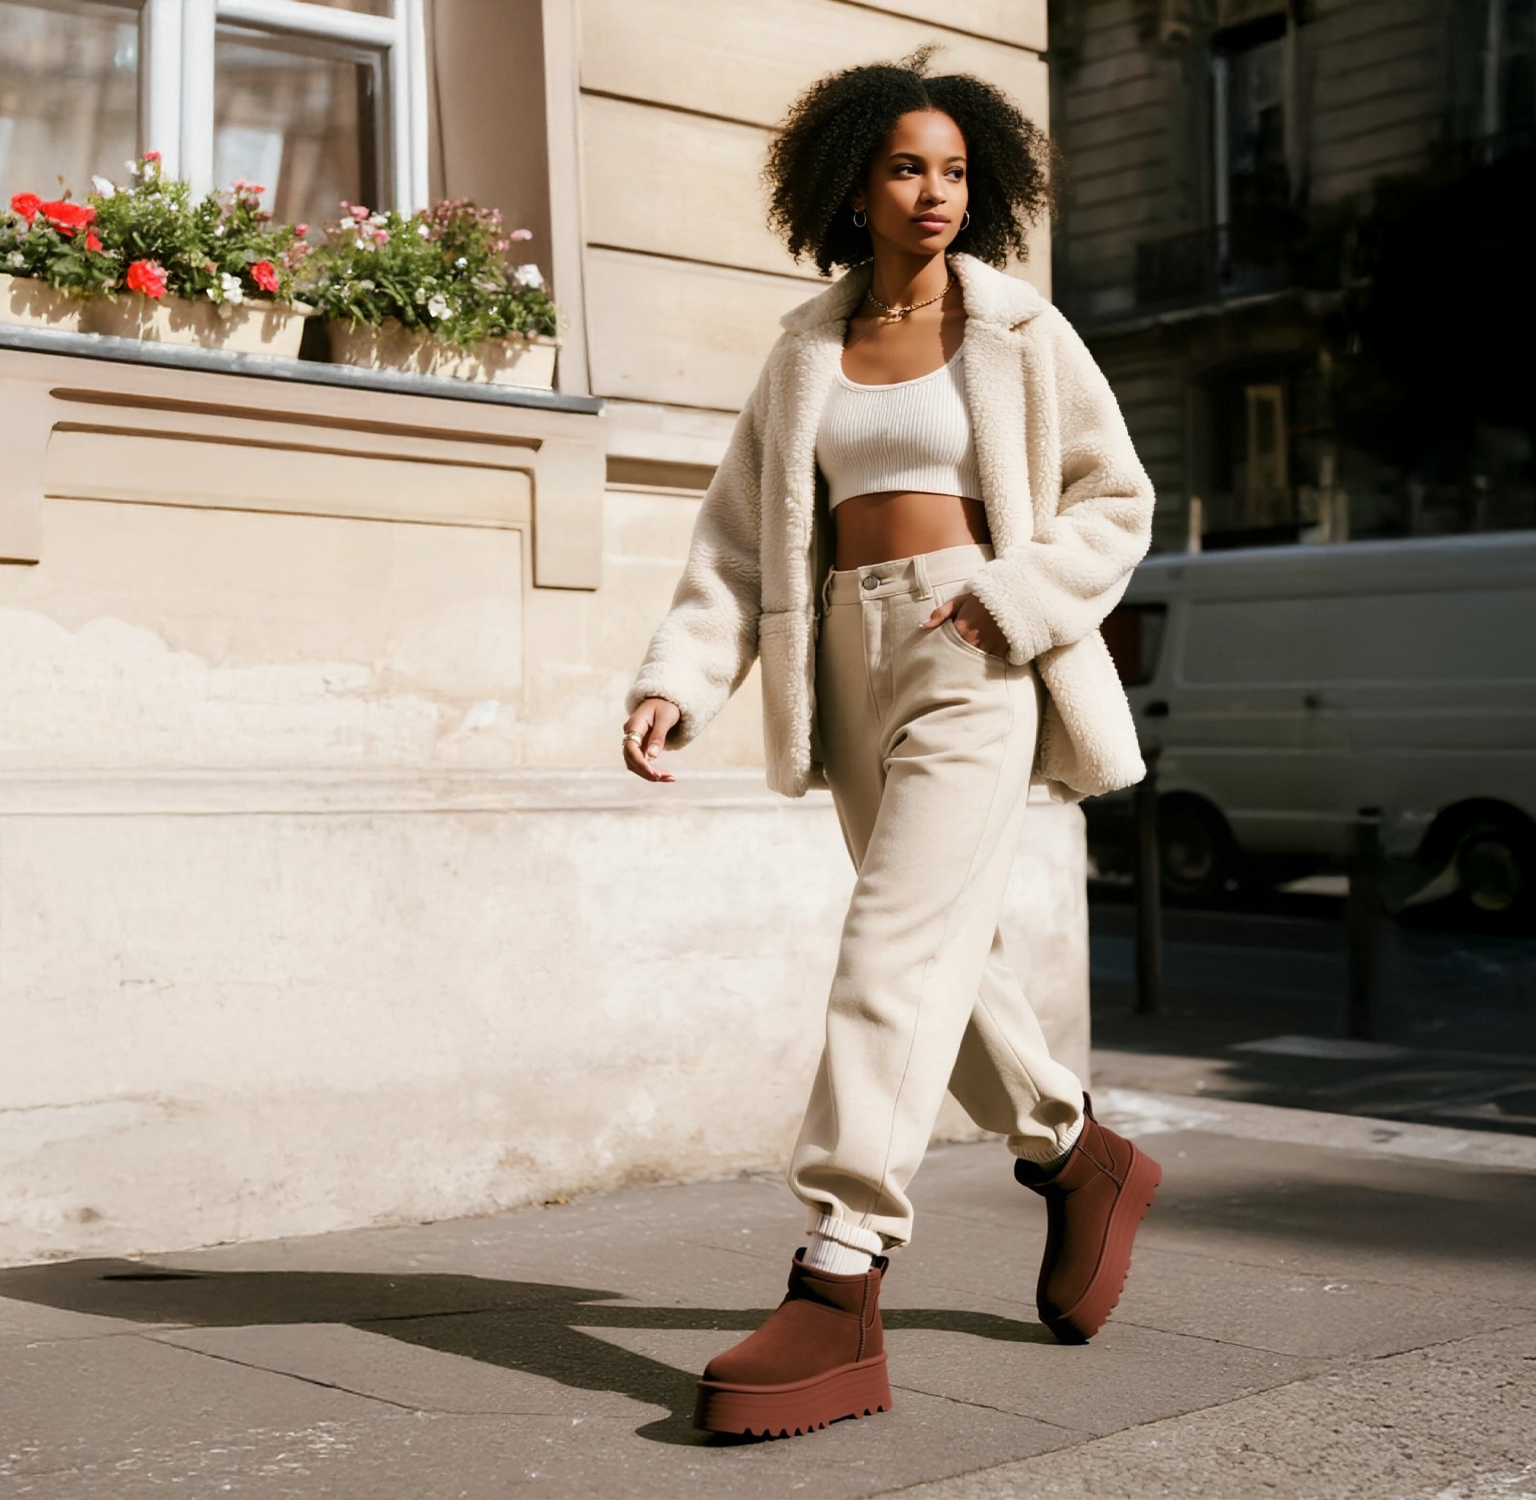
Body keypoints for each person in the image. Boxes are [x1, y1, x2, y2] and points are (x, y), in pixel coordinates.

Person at [622, 50, 1162, 1440]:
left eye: (958, 172)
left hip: (973, 648)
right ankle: (1073, 1149)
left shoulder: (1022, 331)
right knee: (939, 954)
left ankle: (839, 1268)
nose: (937, 194)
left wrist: (1018, 594)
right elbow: (741, 538)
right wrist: (685, 674)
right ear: (853, 187)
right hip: (849, 664)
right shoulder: (806, 349)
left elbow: (1117, 499)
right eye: (909, 169)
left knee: (889, 953)